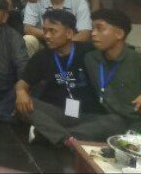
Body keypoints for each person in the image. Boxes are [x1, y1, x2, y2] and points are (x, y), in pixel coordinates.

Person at [16, 10, 102, 145]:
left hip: (88, 115)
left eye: (52, 31)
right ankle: (68, 139)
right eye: (45, 31)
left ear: (69, 33)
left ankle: (53, 134)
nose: (47, 36)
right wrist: (21, 92)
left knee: (115, 121)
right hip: (57, 113)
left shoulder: (88, 51)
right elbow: (22, 83)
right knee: (22, 103)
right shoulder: (42, 57)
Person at [84, 9, 141, 137]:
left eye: (100, 28)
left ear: (119, 34)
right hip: (101, 118)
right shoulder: (91, 58)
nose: (93, 33)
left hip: (133, 125)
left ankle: (64, 137)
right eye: (92, 28)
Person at [23, 0, 91, 56]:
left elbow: (84, 34)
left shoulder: (79, 3)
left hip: (70, 45)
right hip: (43, 43)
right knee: (28, 40)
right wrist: (52, 36)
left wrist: (62, 41)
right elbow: (28, 29)